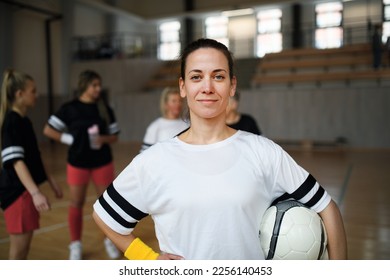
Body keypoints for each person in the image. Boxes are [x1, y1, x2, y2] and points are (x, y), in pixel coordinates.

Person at [92, 38, 347, 260]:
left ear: (232, 86)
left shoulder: (264, 152)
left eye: (218, 76)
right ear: (182, 87)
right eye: (196, 77)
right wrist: (147, 258)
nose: (208, 87)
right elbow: (104, 216)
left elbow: (327, 207)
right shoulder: (154, 160)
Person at [43, 70, 120, 260]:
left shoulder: (104, 108)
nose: (98, 89)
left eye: (99, 85)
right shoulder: (70, 108)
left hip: (102, 162)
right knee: (76, 203)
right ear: (84, 85)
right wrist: (68, 138)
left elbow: (115, 136)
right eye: (94, 85)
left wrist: (103, 138)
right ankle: (75, 244)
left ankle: (109, 239)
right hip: (77, 163)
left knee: (107, 204)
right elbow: (48, 130)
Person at [0, 69, 63, 259]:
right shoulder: (12, 122)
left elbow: (35, 155)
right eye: (33, 91)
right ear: (19, 94)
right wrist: (35, 193)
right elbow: (17, 162)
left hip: (26, 193)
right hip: (18, 195)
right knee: (18, 253)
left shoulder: (24, 121)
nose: (36, 95)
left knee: (24, 251)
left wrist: (51, 181)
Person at [139, 86, 189, 153]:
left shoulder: (188, 124)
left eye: (180, 101)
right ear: (166, 104)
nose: (178, 104)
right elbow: (144, 154)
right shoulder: (155, 126)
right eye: (174, 101)